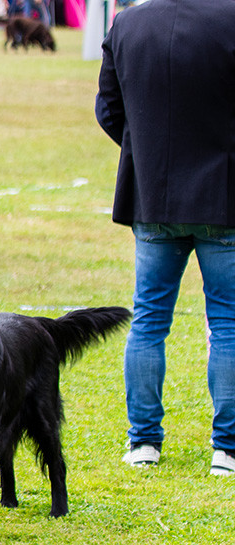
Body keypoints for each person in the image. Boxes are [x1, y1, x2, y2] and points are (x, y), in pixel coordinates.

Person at [96, 0, 235, 475]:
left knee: (150, 319)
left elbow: (108, 110)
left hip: (154, 193)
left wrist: (147, 153)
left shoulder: (127, 23)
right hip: (224, 193)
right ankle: (227, 448)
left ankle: (143, 443)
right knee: (228, 323)